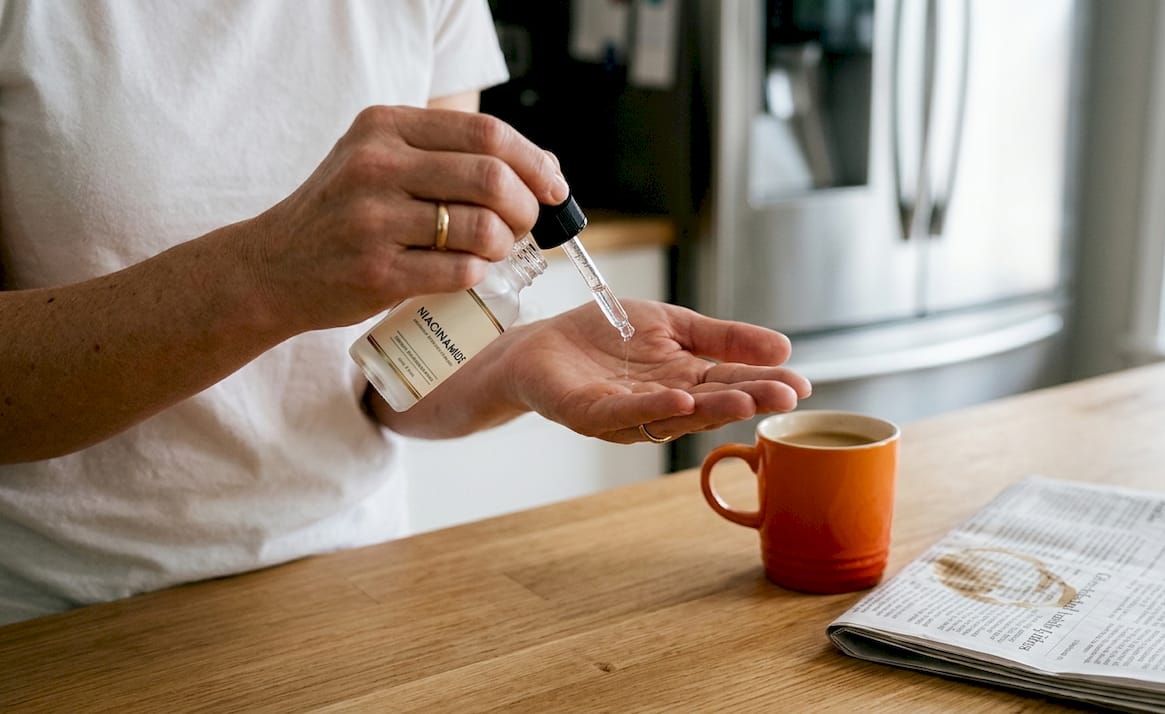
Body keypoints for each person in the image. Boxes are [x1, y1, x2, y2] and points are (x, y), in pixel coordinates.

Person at [0, 1, 810, 625]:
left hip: (351, 583)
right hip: (62, 617)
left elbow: (381, 381)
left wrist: (513, 365)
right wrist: (270, 271)